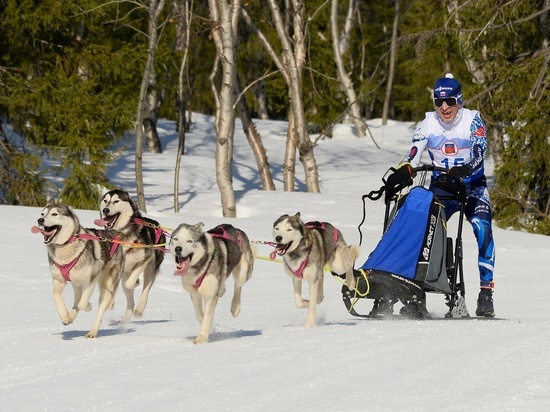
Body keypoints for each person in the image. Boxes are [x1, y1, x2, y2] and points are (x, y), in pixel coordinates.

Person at [390, 73, 496, 317]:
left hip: (473, 187)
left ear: (459, 100)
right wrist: (404, 171)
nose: (444, 107)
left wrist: (466, 169)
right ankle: (418, 294)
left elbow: (480, 152)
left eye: (449, 101)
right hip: (443, 188)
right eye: (439, 102)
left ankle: (486, 293)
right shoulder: (427, 124)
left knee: (482, 228)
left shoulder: (473, 121)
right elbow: (413, 154)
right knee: (426, 230)